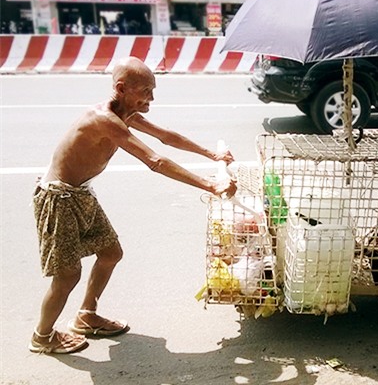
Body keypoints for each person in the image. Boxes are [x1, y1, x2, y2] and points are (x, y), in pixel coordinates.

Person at [29, 56, 237, 354]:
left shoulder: (128, 113)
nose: (151, 98)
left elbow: (166, 137)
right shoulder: (104, 119)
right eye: (145, 91)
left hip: (80, 193)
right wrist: (210, 185)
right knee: (67, 275)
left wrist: (211, 155)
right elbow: (154, 161)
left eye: (153, 90)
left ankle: (86, 316)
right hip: (58, 197)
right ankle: (42, 336)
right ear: (121, 88)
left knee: (111, 253)